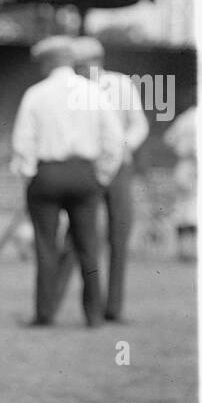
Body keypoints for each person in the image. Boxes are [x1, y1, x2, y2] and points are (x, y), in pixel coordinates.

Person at [11, 35, 125, 327]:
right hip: (84, 174)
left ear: (49, 61)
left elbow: (23, 143)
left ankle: (45, 313)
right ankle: (94, 315)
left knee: (46, 247)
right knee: (88, 248)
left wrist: (28, 176)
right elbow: (114, 140)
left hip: (47, 175)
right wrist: (101, 176)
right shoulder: (94, 93)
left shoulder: (36, 94)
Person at [50, 37, 150, 320]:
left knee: (119, 235)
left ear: (97, 61)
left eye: (84, 64)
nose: (80, 70)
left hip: (119, 167)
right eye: (76, 65)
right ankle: (52, 304)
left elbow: (138, 123)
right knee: (77, 234)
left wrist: (123, 146)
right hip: (87, 168)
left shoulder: (120, 84)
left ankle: (113, 309)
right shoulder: (72, 91)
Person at [164, 105, 197, 261]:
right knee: (194, 210)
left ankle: (182, 249)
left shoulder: (184, 117)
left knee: (182, 209)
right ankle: (192, 250)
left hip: (183, 166)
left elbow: (168, 139)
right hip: (196, 167)